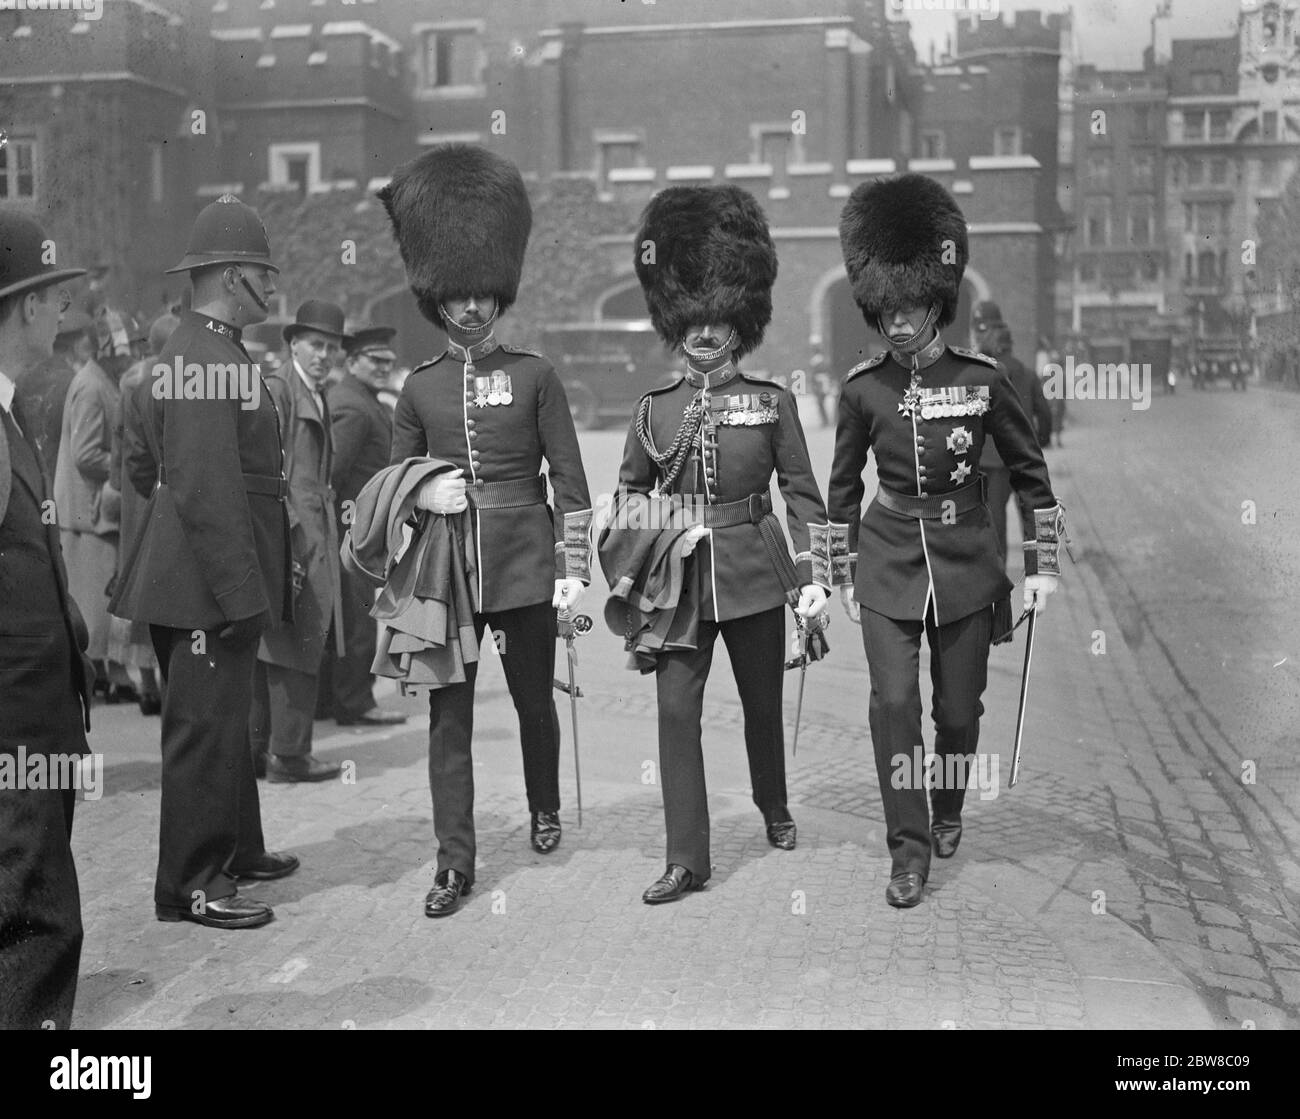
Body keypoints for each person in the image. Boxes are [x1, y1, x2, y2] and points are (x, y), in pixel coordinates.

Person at [827, 174, 1065, 909]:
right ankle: (908, 851)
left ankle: (949, 803)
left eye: (910, 307)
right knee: (893, 704)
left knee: (957, 713)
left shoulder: (984, 380)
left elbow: (1033, 476)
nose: (896, 323)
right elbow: (841, 486)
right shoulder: (864, 389)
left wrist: (1042, 566)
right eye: (885, 310)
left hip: (967, 562)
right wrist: (834, 568)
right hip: (888, 556)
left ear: (937, 299)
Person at [599, 184, 831, 905]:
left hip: (756, 570)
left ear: (740, 319)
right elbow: (631, 492)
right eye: (690, 316)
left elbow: (801, 494)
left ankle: (773, 803)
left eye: (716, 317)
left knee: (762, 704)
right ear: (675, 318)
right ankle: (686, 858)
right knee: (676, 713)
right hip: (681, 584)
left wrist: (812, 575)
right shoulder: (654, 409)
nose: (702, 331)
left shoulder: (771, 400)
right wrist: (663, 531)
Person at [379, 143, 593, 918]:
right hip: (450, 574)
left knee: (536, 700)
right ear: (436, 298)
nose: (471, 308)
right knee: (449, 719)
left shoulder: (536, 375)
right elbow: (391, 486)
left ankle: (543, 805)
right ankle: (455, 861)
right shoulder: (418, 387)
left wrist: (573, 566)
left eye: (483, 296)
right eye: (457, 296)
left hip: (527, 561)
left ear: (500, 295)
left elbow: (570, 482)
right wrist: (421, 493)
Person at [110, 194, 299, 929]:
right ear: (230, 275)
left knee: (223, 721)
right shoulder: (200, 354)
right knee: (203, 733)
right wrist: (240, 589)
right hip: (205, 587)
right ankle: (192, 883)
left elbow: (143, 468)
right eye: (263, 272)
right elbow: (205, 487)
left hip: (200, 577)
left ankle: (239, 850)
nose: (272, 286)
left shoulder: (203, 347)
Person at [0, 210, 94, 1028]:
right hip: (15, 737)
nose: (62, 317)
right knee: (36, 923)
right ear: (27, 306)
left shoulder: (7, 411)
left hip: (31, 728)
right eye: (55, 300)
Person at [249, 300, 347, 783]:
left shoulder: (311, 390)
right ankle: (287, 756)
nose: (324, 355)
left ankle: (282, 751)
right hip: (294, 535)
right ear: (292, 345)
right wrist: (286, 543)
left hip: (312, 531)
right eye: (316, 345)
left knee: (299, 638)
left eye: (332, 348)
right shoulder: (279, 389)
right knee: (292, 643)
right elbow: (268, 472)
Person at [321, 322, 407, 728]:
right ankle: (354, 702)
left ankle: (334, 700)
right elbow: (331, 476)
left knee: (346, 617)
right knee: (355, 621)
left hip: (353, 530)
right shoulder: (353, 406)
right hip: (350, 533)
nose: (384, 367)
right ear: (352, 362)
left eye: (389, 361)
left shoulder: (363, 399)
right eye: (375, 360)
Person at [110, 312, 179, 715]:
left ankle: (149, 684)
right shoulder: (192, 379)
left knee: (142, 587)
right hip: (166, 495)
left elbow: (124, 448)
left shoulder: (133, 381)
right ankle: (157, 681)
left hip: (144, 494)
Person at [970, 301, 1051, 566]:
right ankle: (1036, 569)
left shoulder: (981, 375)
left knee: (996, 518)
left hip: (992, 460)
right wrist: (1041, 441)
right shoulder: (1027, 373)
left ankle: (999, 570)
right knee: (1031, 512)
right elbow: (1045, 413)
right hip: (1023, 455)